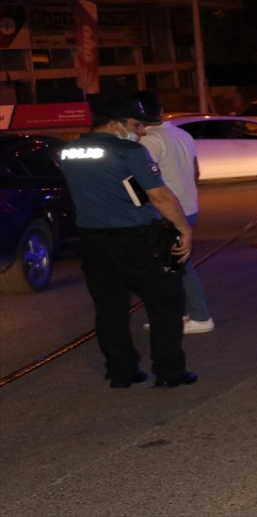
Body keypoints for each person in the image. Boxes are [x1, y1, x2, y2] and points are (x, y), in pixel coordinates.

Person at [58, 93, 197, 388]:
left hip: (92, 244)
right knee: (166, 302)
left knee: (110, 309)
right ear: (114, 123)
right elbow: (159, 196)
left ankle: (121, 372)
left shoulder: (69, 151)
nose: (141, 131)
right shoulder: (129, 152)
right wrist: (184, 229)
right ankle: (169, 371)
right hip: (134, 241)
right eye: (136, 124)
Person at [134, 90, 214, 333]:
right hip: (188, 206)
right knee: (173, 266)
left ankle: (200, 317)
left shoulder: (150, 141)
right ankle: (179, 316)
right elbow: (196, 171)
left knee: (178, 266)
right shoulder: (182, 134)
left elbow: (144, 180)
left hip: (167, 210)